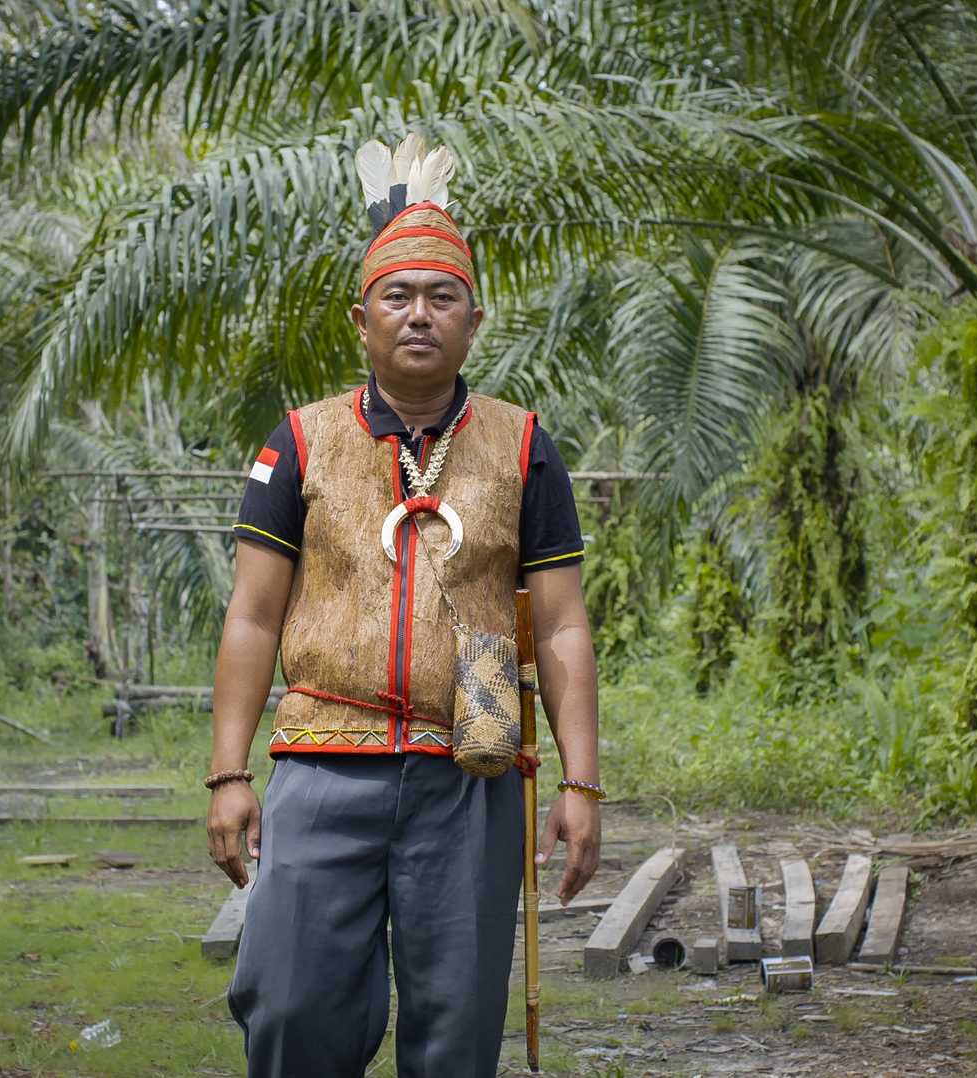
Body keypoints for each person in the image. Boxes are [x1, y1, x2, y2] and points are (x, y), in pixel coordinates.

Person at [203, 135, 604, 1078]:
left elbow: (560, 625)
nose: (418, 315)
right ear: (362, 318)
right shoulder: (301, 442)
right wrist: (228, 773)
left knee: (456, 1032)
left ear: (474, 320)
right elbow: (254, 617)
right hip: (319, 768)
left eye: (441, 297)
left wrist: (582, 787)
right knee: (293, 1007)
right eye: (398, 296)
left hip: (468, 780)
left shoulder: (524, 447)